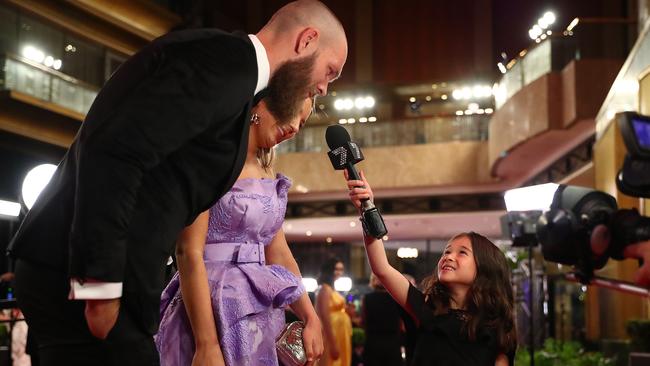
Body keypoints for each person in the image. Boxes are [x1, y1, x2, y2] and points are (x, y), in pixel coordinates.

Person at [9, 1, 347, 364]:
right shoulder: (224, 63)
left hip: (102, 273)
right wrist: (99, 286)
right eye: (330, 71)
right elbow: (114, 154)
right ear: (306, 40)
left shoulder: (235, 76)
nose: (324, 88)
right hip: (77, 271)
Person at [155, 97, 322, 366]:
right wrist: (206, 344)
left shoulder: (268, 170)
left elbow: (277, 251)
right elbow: (188, 252)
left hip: (260, 312)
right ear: (261, 104)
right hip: (208, 306)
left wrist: (310, 316)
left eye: (302, 123)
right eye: (293, 115)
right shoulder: (208, 160)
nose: (295, 128)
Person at [344, 171, 517, 366]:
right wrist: (367, 209)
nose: (448, 257)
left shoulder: (497, 327)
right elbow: (382, 269)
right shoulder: (427, 309)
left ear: (485, 268)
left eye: (462, 253)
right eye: (446, 252)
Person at [315, 258, 352, 366]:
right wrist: (332, 343)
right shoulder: (325, 289)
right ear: (329, 270)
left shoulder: (331, 288)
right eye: (336, 269)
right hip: (332, 333)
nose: (339, 272)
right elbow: (324, 316)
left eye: (341, 269)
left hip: (340, 332)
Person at [362, 273, 402, 366]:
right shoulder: (397, 297)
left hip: (374, 341)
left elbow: (364, 321)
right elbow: (400, 323)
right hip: (391, 342)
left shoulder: (367, 298)